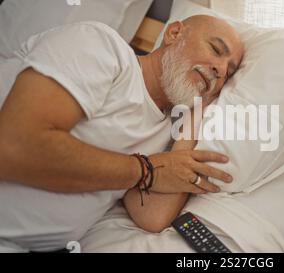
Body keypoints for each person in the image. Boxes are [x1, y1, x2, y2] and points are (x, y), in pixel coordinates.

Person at [0, 15, 244, 252]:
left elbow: (152, 215)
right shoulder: (101, 46)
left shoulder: (168, 129)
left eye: (230, 72)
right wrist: (144, 170)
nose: (220, 70)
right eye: (215, 49)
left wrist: (197, 114)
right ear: (174, 33)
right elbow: (15, 146)